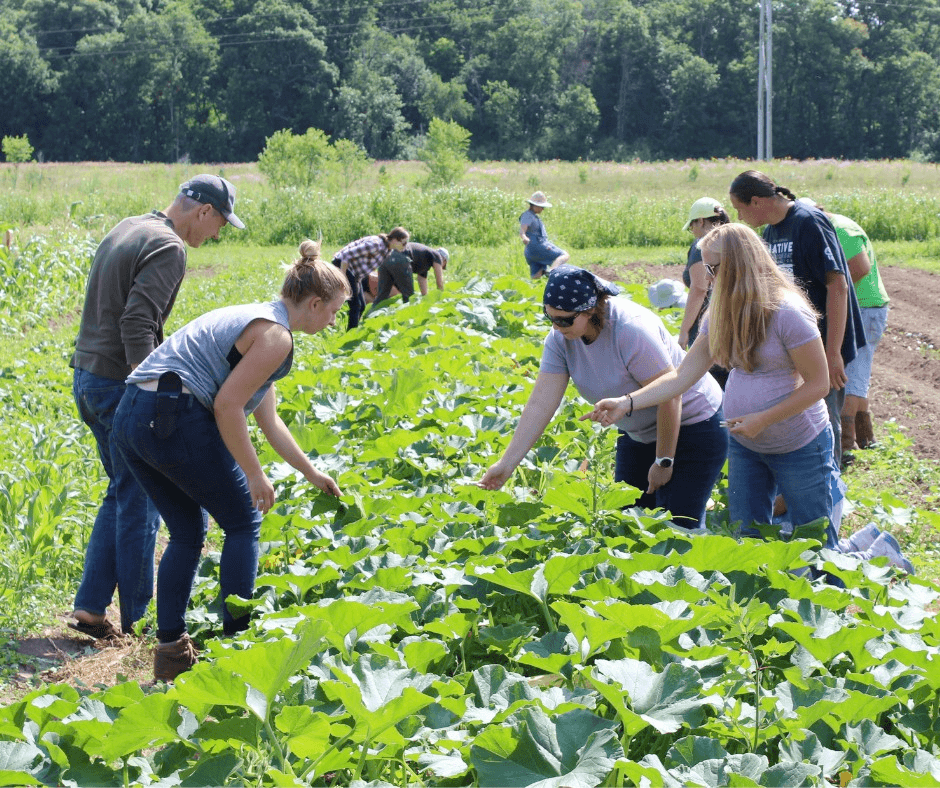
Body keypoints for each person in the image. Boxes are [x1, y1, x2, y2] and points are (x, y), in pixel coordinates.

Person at [113, 239, 347, 681]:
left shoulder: (261, 322)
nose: (334, 320)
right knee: (243, 521)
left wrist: (311, 472)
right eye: (333, 311)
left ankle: (171, 655)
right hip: (169, 414)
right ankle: (239, 649)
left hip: (133, 415)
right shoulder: (275, 336)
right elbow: (227, 407)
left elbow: (269, 420)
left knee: (186, 531)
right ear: (314, 303)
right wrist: (254, 476)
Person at [584, 224, 839, 547]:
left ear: (740, 266)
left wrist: (763, 419)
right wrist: (627, 402)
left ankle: (831, 591)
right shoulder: (720, 313)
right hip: (747, 446)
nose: (708, 278)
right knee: (748, 536)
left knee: (814, 533)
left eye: (714, 268)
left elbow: (819, 384)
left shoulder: (788, 313)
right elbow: (681, 376)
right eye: (706, 268)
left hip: (799, 442)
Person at [69, 174, 245, 640]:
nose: (218, 234)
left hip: (86, 373)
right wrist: (140, 391)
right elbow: (138, 321)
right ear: (203, 210)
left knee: (122, 490)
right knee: (141, 498)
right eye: (221, 223)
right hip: (115, 382)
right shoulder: (170, 247)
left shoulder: (129, 226)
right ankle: (139, 621)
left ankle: (90, 605)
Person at [480, 265, 727, 532]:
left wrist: (663, 461)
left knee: (679, 525)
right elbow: (541, 402)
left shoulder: (630, 329)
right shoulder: (560, 339)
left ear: (589, 310)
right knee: (626, 522)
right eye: (550, 317)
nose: (556, 326)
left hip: (694, 426)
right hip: (638, 432)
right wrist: (506, 464)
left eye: (564, 319)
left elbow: (671, 395)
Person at [729, 170, 865, 469]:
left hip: (825, 343)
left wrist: (833, 355)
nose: (740, 216)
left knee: (824, 422)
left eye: (740, 209)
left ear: (756, 201)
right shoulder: (770, 233)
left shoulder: (808, 222)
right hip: (795, 344)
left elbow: (838, 286)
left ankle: (828, 497)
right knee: (803, 419)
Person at [797, 199, 889, 454]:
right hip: (859, 306)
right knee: (857, 373)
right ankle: (866, 440)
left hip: (865, 307)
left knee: (850, 376)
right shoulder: (830, 226)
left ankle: (846, 449)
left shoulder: (840, 229)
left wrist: (829, 287)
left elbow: (859, 267)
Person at [678, 197, 731, 389]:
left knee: (711, 389)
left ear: (700, 221)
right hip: (733, 324)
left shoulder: (702, 245)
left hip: (708, 327)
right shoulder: (733, 239)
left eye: (692, 224)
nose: (692, 230)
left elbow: (699, 289)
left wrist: (684, 331)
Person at [331, 228, 410, 329]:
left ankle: (352, 332)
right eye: (403, 243)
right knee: (356, 305)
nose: (405, 247)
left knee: (362, 305)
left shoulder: (387, 250)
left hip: (355, 273)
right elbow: (346, 255)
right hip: (344, 266)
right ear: (395, 240)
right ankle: (350, 335)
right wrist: (342, 277)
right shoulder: (376, 245)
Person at [364, 243, 448, 316]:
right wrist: (440, 301)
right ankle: (404, 320)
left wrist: (425, 300)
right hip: (401, 259)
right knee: (407, 297)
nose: (441, 267)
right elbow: (439, 282)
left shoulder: (424, 260)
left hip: (387, 257)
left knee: (383, 295)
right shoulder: (437, 256)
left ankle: (371, 314)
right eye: (443, 266)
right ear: (444, 260)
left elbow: (422, 281)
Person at [519, 192, 570, 279]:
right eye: (541, 207)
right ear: (534, 205)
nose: (542, 209)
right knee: (564, 255)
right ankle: (552, 272)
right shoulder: (527, 215)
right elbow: (522, 230)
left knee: (537, 276)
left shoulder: (532, 216)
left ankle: (535, 289)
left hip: (531, 251)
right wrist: (524, 237)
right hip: (538, 246)